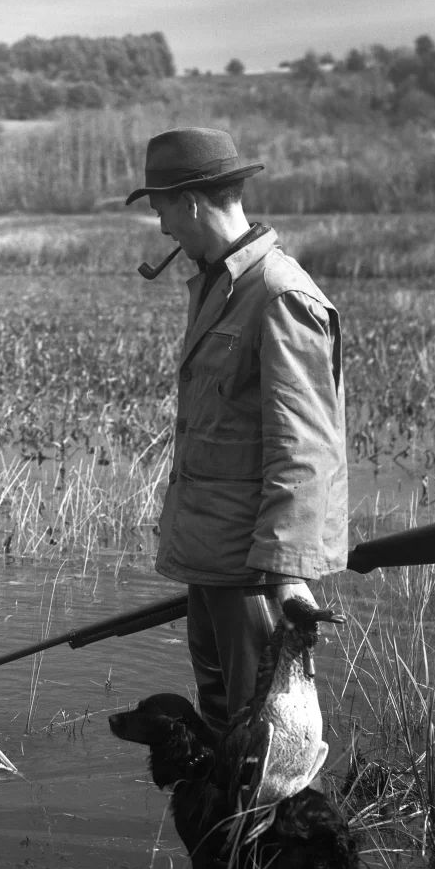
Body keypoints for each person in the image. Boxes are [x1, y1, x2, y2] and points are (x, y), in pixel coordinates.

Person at [127, 128, 348, 734]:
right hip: (212, 559)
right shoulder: (218, 286)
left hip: (250, 569)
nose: (164, 229)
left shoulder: (278, 296)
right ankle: (229, 829)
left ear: (191, 203)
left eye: (162, 210)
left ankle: (267, 831)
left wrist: (287, 578)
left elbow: (304, 450)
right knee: (224, 725)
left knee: (268, 738)